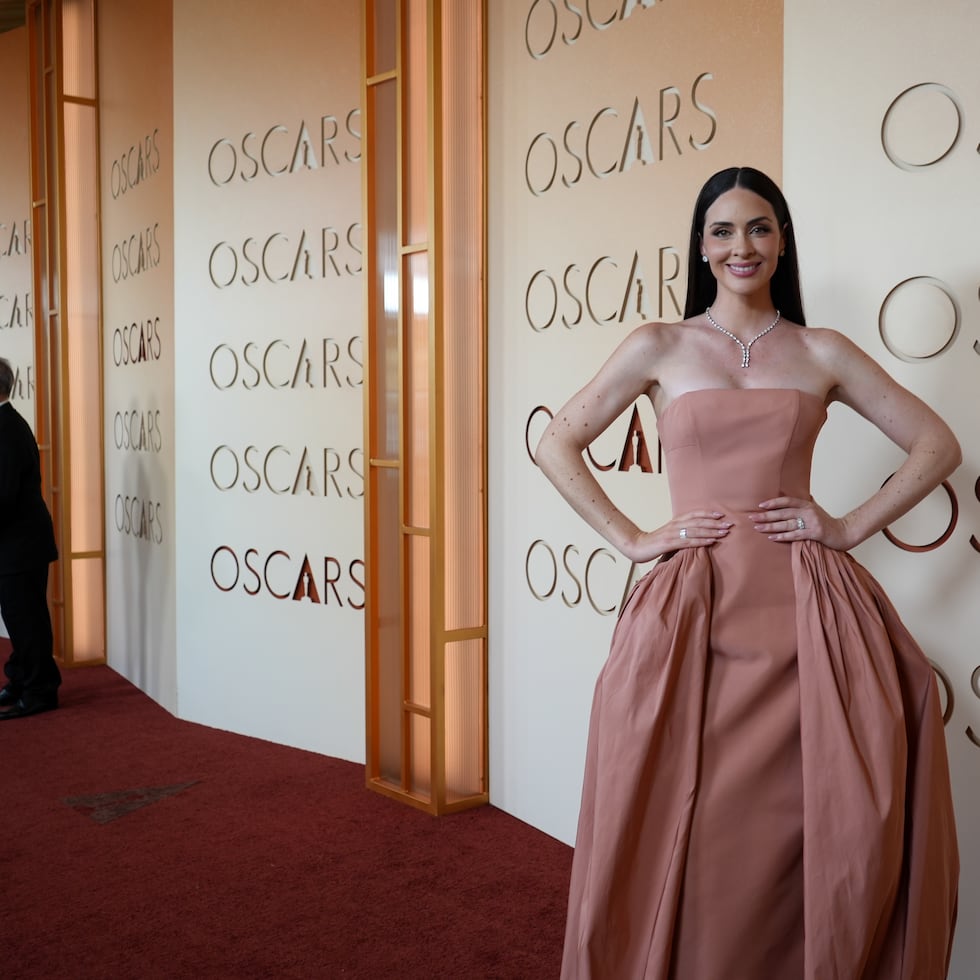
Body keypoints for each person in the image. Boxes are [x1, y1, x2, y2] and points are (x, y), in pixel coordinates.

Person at [536, 167, 960, 979]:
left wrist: (845, 526)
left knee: (808, 819)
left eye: (759, 228)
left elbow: (938, 444)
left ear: (782, 241)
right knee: (694, 819)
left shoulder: (820, 350)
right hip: (694, 609)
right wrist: (634, 538)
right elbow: (556, 442)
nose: (742, 246)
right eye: (723, 230)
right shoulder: (659, 345)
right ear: (700, 245)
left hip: (805, 611)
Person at [0, 356, 60, 720]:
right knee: (19, 617)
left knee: (27, 620)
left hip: (22, 545)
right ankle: (23, 680)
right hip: (17, 544)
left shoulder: (7, 430)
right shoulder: (6, 424)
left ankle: (40, 691)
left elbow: (4, 496)